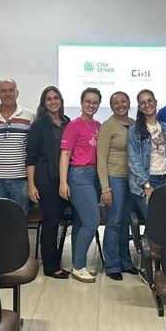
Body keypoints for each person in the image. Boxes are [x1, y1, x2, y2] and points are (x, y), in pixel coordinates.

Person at [26, 86, 71, 279]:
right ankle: (51, 267)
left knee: (60, 221)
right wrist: (31, 185)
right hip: (46, 181)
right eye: (49, 99)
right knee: (51, 222)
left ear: (61, 100)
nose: (53, 102)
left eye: (56, 98)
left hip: (66, 180)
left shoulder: (68, 123)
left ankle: (59, 260)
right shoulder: (39, 126)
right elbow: (31, 157)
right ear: (44, 103)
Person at [59, 88, 102, 283]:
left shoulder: (99, 126)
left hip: (95, 176)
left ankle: (78, 263)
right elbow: (65, 154)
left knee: (81, 222)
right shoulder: (73, 125)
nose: (91, 105)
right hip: (79, 175)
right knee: (92, 221)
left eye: (95, 102)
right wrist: (63, 182)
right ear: (81, 102)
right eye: (88, 101)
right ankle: (78, 266)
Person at [96, 91, 140, 281]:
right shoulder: (108, 126)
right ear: (111, 106)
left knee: (125, 222)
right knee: (114, 222)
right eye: (116, 102)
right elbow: (101, 159)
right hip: (115, 179)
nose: (120, 105)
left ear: (129, 103)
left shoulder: (134, 124)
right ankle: (112, 265)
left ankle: (126, 262)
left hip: (132, 180)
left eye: (123, 101)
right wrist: (105, 188)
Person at [0, 79, 35, 214]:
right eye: (3, 91)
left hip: (21, 179)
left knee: (19, 217)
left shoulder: (29, 116)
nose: (7, 94)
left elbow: (33, 150)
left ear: (17, 93)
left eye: (11, 90)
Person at [128, 89, 166, 214]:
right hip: (147, 181)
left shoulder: (165, 127)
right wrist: (146, 185)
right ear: (139, 108)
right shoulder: (134, 130)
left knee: (165, 220)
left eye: (150, 101)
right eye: (143, 103)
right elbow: (133, 159)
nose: (147, 105)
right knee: (154, 219)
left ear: (156, 102)